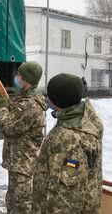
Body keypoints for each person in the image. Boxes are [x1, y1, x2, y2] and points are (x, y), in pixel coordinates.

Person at [32, 73, 103, 214]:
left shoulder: (68, 138)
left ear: (58, 101)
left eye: (49, 95)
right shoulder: (82, 120)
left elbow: (65, 196)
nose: (47, 98)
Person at [0, 61, 46, 214]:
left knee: (21, 206)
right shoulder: (24, 99)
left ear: (26, 80)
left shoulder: (29, 104)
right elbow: (13, 116)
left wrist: (2, 108)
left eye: (19, 76)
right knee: (13, 202)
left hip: (23, 164)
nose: (16, 78)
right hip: (19, 162)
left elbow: (9, 128)